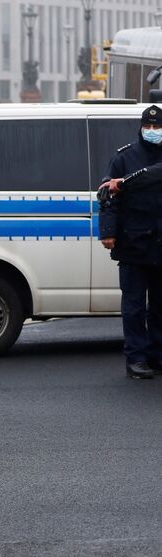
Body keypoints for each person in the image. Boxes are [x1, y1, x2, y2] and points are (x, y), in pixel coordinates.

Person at [97, 104, 162, 379]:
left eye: (156, 127)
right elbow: (107, 197)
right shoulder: (124, 157)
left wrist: (125, 182)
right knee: (134, 307)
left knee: (160, 307)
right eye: (147, 126)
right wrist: (108, 232)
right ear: (140, 127)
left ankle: (157, 357)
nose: (151, 131)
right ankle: (136, 359)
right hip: (133, 244)